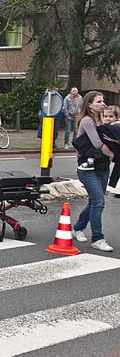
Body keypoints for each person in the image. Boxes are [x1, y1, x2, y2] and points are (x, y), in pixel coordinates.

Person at [71, 91, 114, 252]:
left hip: (102, 165)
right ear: (89, 105)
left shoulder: (102, 119)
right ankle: (98, 238)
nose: (103, 104)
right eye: (99, 101)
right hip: (87, 167)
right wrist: (111, 154)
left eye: (103, 101)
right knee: (99, 202)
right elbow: (97, 143)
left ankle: (78, 228)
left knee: (95, 201)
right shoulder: (87, 120)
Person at [102, 105, 120, 198]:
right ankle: (112, 184)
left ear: (116, 118)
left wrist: (115, 140)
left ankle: (112, 184)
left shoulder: (116, 126)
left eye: (110, 116)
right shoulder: (106, 126)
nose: (108, 118)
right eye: (106, 116)